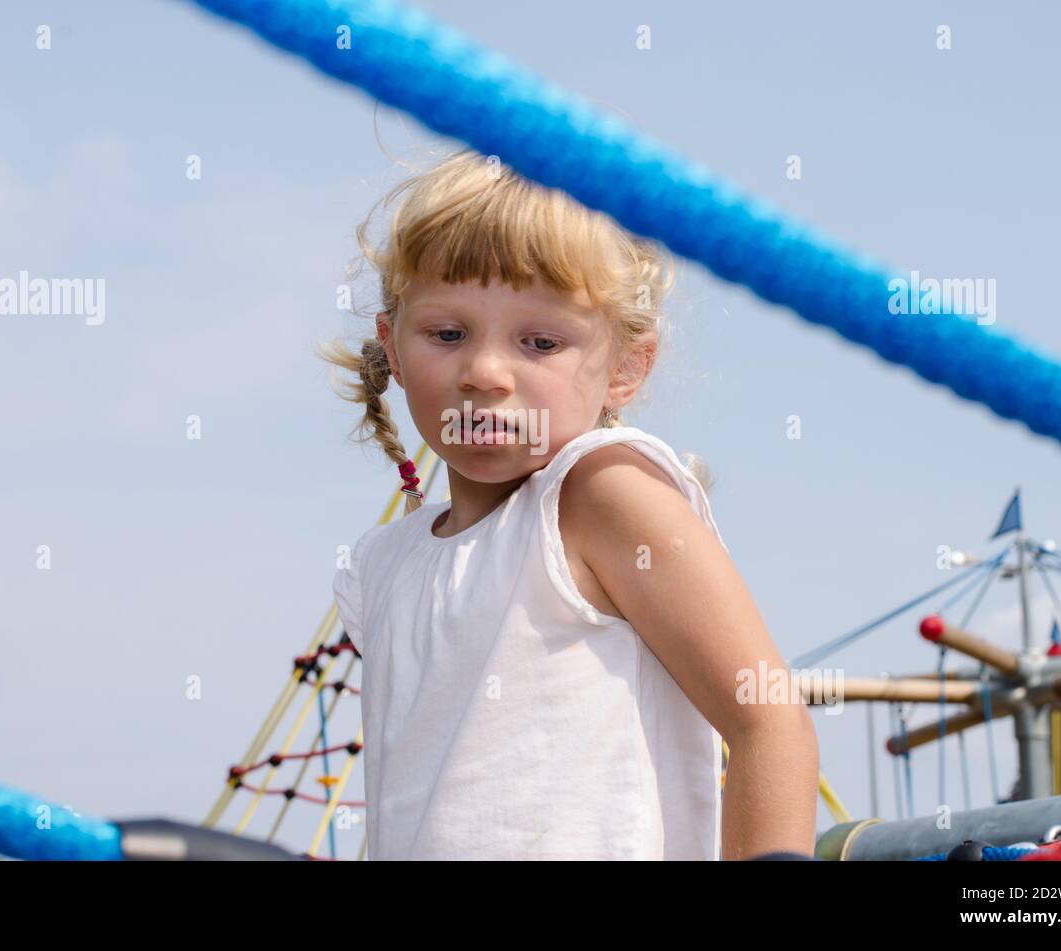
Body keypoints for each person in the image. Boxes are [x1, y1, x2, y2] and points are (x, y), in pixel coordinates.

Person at [321, 149, 817, 860]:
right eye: (448, 334)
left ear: (625, 366)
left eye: (541, 341)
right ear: (393, 348)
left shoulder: (598, 493)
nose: (485, 373)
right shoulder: (384, 562)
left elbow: (769, 723)